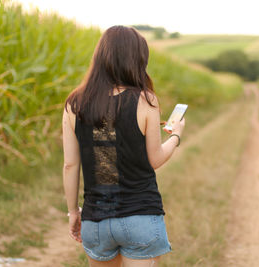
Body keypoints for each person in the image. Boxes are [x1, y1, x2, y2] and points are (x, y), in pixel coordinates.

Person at [62, 25, 185, 267]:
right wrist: (176, 136)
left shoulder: (74, 103)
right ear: (138, 60)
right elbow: (155, 159)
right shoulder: (145, 100)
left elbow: (70, 164)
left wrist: (74, 213)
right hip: (140, 217)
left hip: (95, 221)